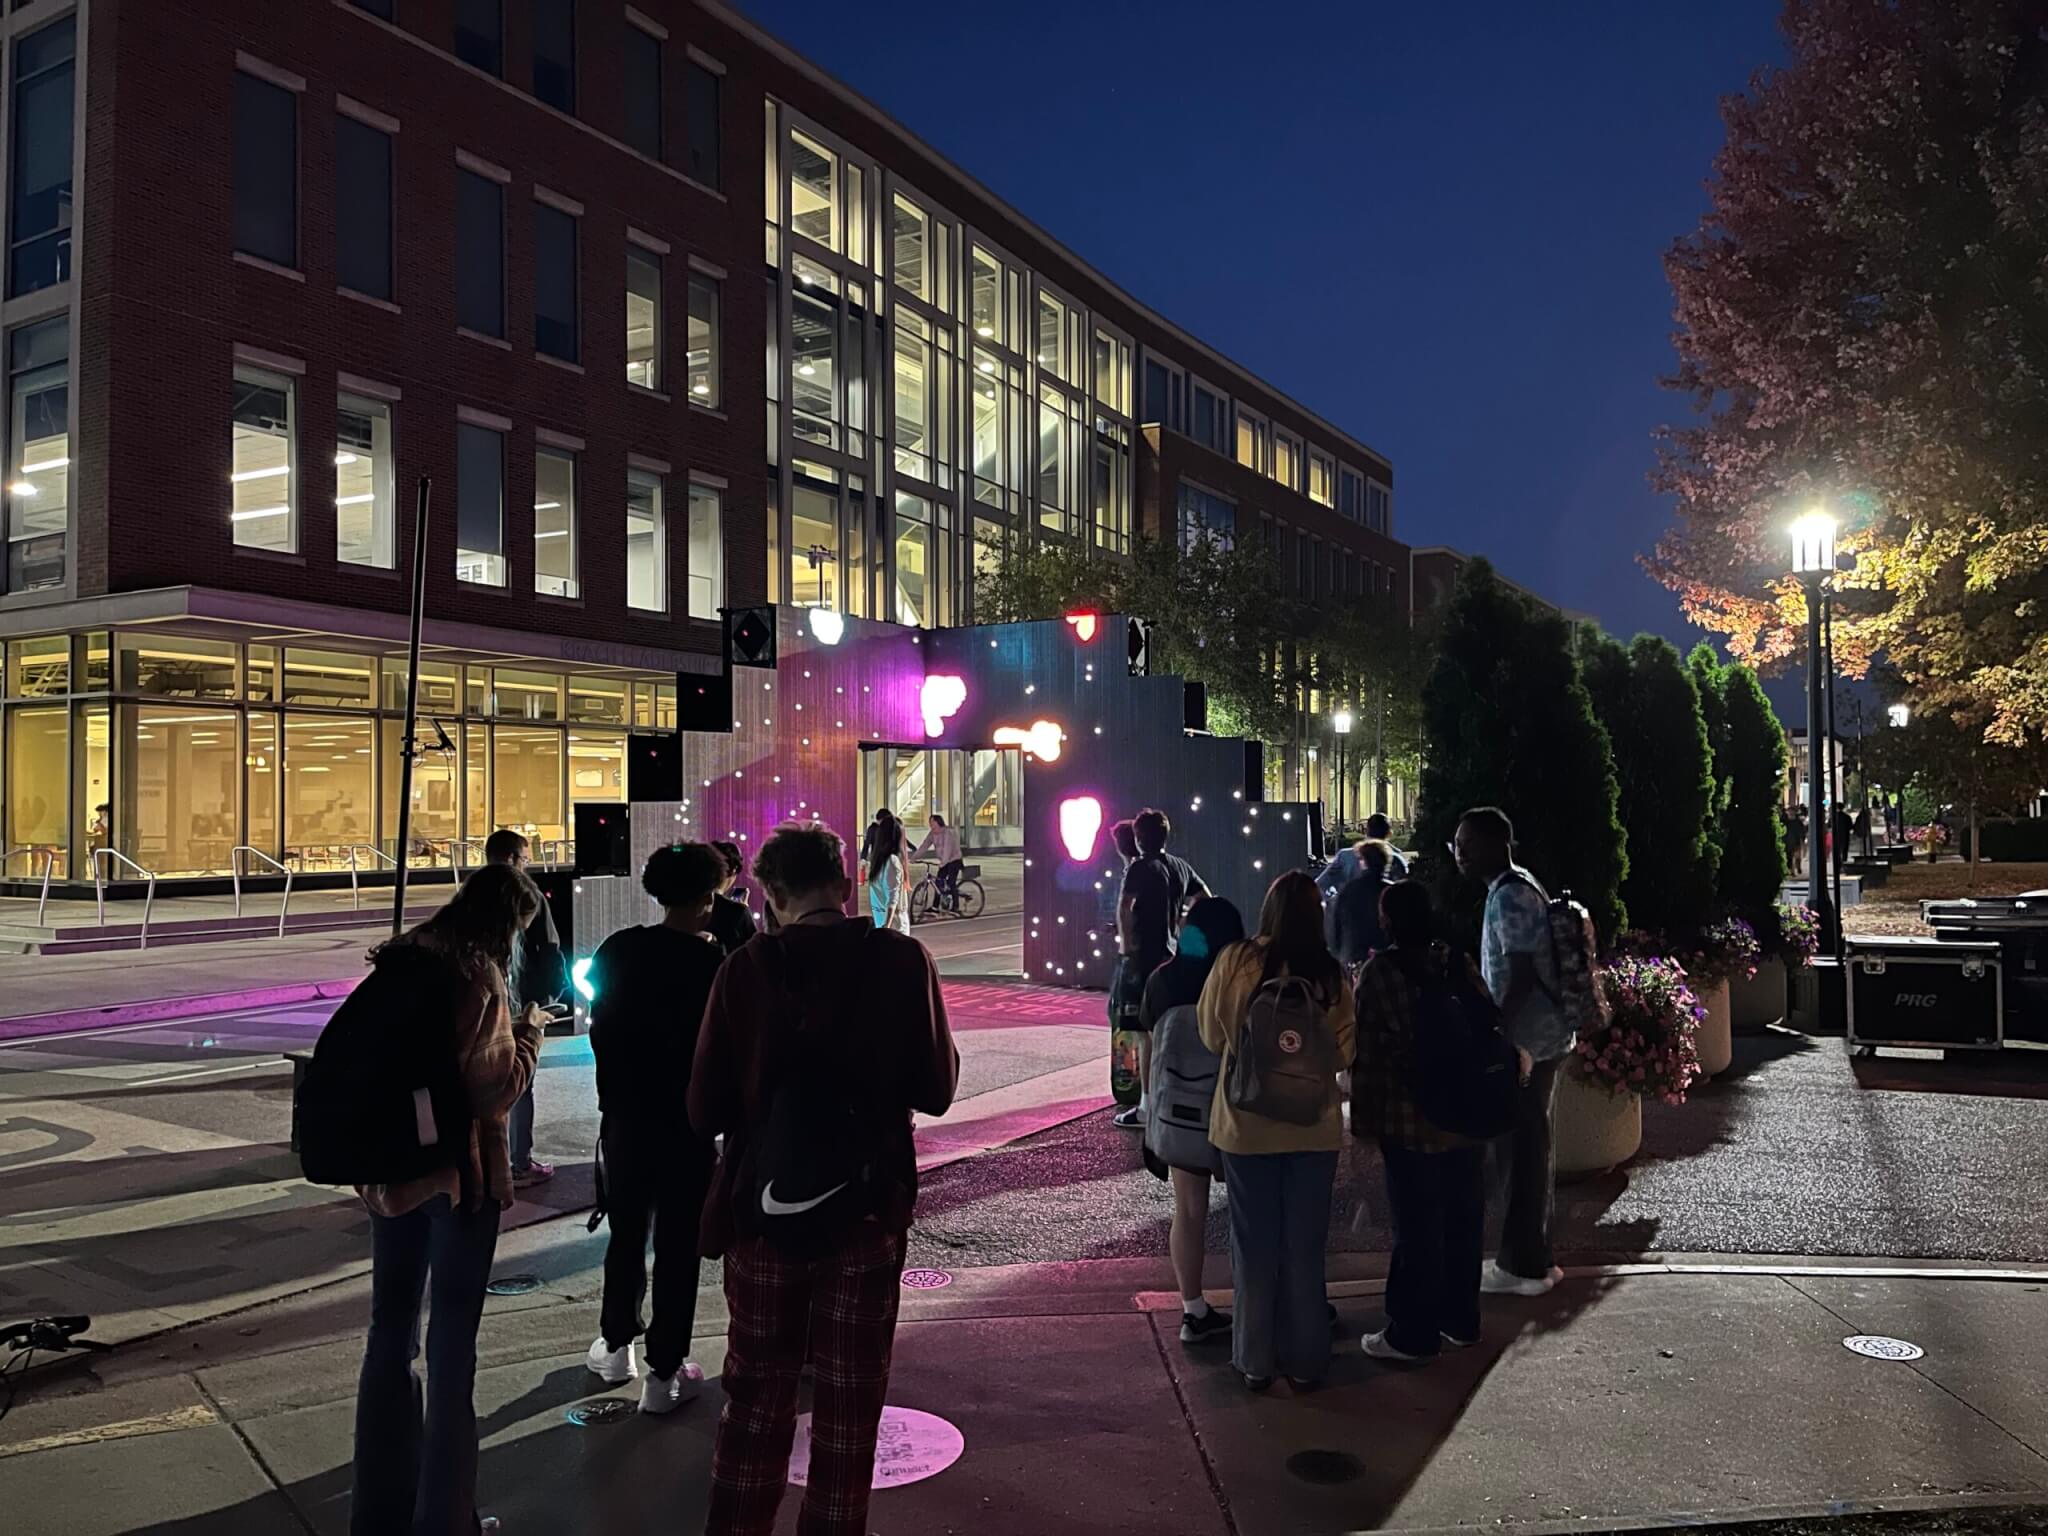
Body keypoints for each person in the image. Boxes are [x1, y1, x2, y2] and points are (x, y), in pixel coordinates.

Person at [689, 822, 960, 1536]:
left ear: (770, 895)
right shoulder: (903, 961)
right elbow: (936, 1089)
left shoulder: (745, 969)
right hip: (867, 1212)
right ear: (843, 887)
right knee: (848, 1405)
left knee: (756, 1398)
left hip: (764, 1214)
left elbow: (703, 1108)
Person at [351, 863, 547, 1536]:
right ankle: (446, 1520)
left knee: (388, 1335)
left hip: (388, 1178)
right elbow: (494, 1091)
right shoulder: (479, 980)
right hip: (458, 1180)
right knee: (451, 1348)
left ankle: (378, 1512)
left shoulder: (400, 959)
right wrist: (530, 1037)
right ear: (507, 924)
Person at [1197, 871, 1355, 1391]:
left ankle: (1254, 1360)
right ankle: (1308, 1360)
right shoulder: (1330, 975)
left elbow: (1211, 1035)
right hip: (1313, 1129)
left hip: (1245, 1127)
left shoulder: (1236, 961)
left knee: (1253, 1246)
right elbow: (1346, 1052)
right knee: (1305, 1249)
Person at [585, 843, 728, 1414]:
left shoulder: (618, 949)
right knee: (678, 1245)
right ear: (709, 896)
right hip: (688, 1126)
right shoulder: (715, 963)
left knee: (626, 1235)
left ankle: (615, 1344)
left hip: (624, 1119)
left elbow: (599, 1024)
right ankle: (663, 1373)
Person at [1354, 880, 1524, 1361]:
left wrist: (1364, 1124)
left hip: (1410, 1119)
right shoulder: (1455, 961)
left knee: (1417, 1226)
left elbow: (1371, 1055)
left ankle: (1412, 1333)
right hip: (1465, 1114)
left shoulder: (1380, 973)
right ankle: (1461, 1319)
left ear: (1388, 921)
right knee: (1464, 1219)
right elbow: (1489, 1020)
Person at [1453, 807, 1571, 1298]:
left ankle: (1522, 1265)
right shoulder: (1516, 887)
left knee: (1520, 1153)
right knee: (1528, 1149)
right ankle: (1530, 1257)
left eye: (1465, 844)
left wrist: (1494, 1024)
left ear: (1493, 844)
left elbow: (1520, 972)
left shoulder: (1512, 896)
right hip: (1539, 1038)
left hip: (1528, 1042)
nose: (1458, 854)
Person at [1141, 896, 1246, 1344]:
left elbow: (1149, 1047)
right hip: (1239, 1106)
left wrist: (1149, 1110)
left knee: (1189, 1211)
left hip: (1182, 1110)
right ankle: (1257, 1303)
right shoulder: (1242, 977)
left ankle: (1193, 1309)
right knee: (1250, 1210)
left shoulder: (1163, 979)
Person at [1114, 808, 1212, 1131]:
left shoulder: (1140, 867)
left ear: (1139, 838)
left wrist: (1126, 946)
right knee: (1164, 1027)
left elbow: (1125, 907)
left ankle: (1146, 1106)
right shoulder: (1180, 866)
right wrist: (1184, 925)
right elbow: (1205, 898)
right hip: (1170, 956)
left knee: (1145, 1033)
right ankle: (1165, 1095)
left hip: (1143, 958)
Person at [483, 829, 566, 1189]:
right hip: (521, 1006)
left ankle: (489, 1160)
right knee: (520, 1083)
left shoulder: (472, 895)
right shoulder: (527, 895)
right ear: (516, 859)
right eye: (526, 858)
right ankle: (519, 1161)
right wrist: (552, 996)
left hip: (484, 1005)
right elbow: (549, 949)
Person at [1330, 840, 1396, 971]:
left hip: (1353, 957)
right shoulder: (1392, 891)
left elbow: (1336, 926)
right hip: (1387, 960)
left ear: (1364, 861)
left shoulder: (1349, 890)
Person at [863, 807, 911, 933]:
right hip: (890, 927)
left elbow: (889, 897)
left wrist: (885, 926)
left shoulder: (884, 862)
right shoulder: (889, 861)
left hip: (888, 926)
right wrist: (885, 927)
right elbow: (891, 897)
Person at [707, 839, 758, 956]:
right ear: (733, 870)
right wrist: (742, 911)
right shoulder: (736, 911)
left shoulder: (687, 902)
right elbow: (755, 952)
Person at [910, 812, 965, 913]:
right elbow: (924, 845)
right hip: (944, 861)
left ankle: (956, 907)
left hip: (954, 860)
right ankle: (935, 907)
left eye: (932, 822)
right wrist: (914, 857)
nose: (930, 824)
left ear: (938, 822)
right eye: (929, 822)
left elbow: (948, 849)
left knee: (951, 883)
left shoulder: (947, 832)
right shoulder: (932, 834)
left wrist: (943, 862)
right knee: (939, 883)